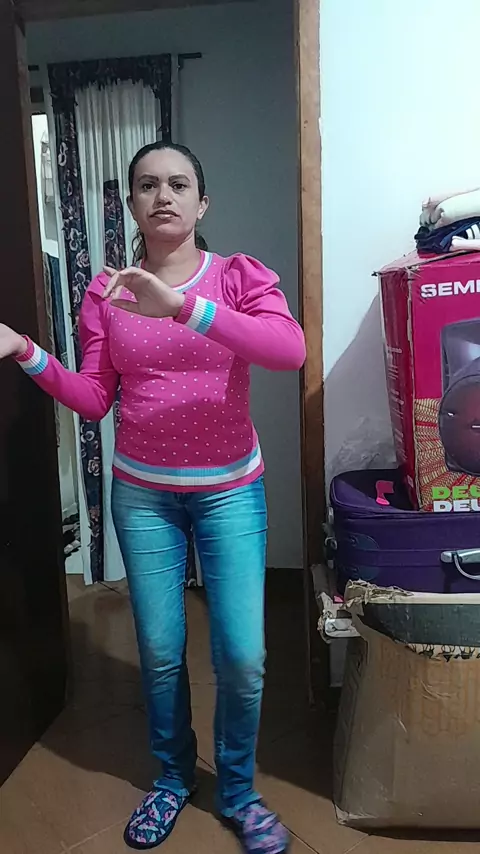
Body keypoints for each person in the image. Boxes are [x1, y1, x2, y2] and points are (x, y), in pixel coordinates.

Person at [0, 141, 305, 852]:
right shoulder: (107, 293)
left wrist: (183, 308)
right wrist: (25, 351)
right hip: (144, 498)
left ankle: (238, 791)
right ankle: (172, 778)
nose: (163, 195)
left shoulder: (237, 276)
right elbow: (93, 399)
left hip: (231, 491)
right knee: (161, 652)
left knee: (243, 655)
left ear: (202, 202)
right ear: (133, 205)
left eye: (178, 183)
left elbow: (287, 350)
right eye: (147, 185)